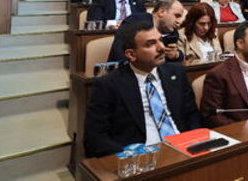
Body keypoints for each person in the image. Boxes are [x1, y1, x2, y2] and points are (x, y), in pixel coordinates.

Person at [83, 18, 202, 157]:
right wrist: (129, 156)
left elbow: (192, 115)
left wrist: (195, 141)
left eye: (160, 40)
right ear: (131, 54)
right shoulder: (108, 85)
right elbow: (95, 138)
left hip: (183, 149)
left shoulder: (176, 72)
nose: (161, 48)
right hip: (142, 157)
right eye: (150, 44)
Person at [108, 0, 186, 63]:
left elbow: (169, 63)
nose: (179, 22)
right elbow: (118, 53)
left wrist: (176, 55)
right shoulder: (134, 22)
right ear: (161, 12)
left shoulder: (172, 33)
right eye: (176, 16)